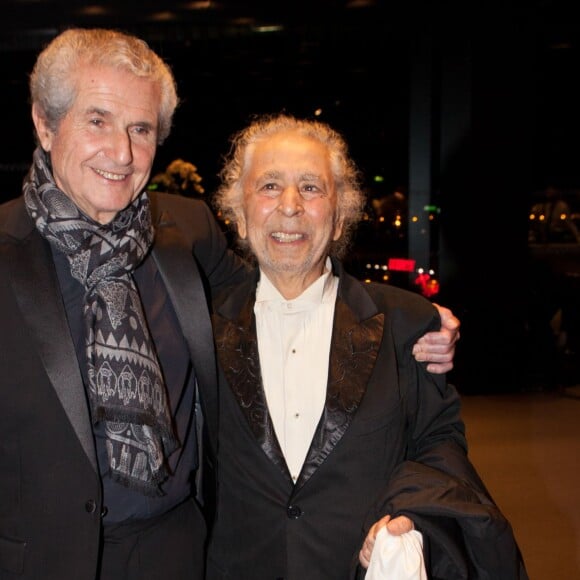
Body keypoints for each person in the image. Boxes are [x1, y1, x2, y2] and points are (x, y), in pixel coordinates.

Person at [0, 29, 460, 580]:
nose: (121, 152)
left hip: (180, 555)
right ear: (45, 124)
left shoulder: (183, 235)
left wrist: (420, 321)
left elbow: (290, 282)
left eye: (140, 128)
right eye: (97, 120)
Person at [206, 113, 528, 580]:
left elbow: (439, 443)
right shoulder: (199, 323)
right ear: (238, 212)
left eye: (312, 188)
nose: (290, 206)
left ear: (339, 218)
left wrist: (409, 515)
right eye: (270, 186)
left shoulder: (406, 323)